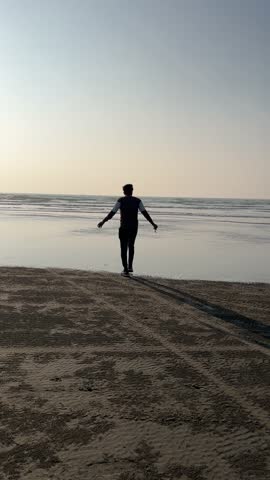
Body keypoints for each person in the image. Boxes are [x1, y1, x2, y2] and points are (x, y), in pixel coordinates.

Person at [98, 184, 158, 276]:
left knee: (123, 247)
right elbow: (144, 213)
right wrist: (152, 223)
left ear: (124, 191)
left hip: (124, 227)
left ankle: (125, 270)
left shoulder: (121, 200)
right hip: (134, 227)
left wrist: (103, 221)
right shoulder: (137, 201)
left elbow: (112, 213)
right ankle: (130, 266)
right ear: (132, 190)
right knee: (131, 246)